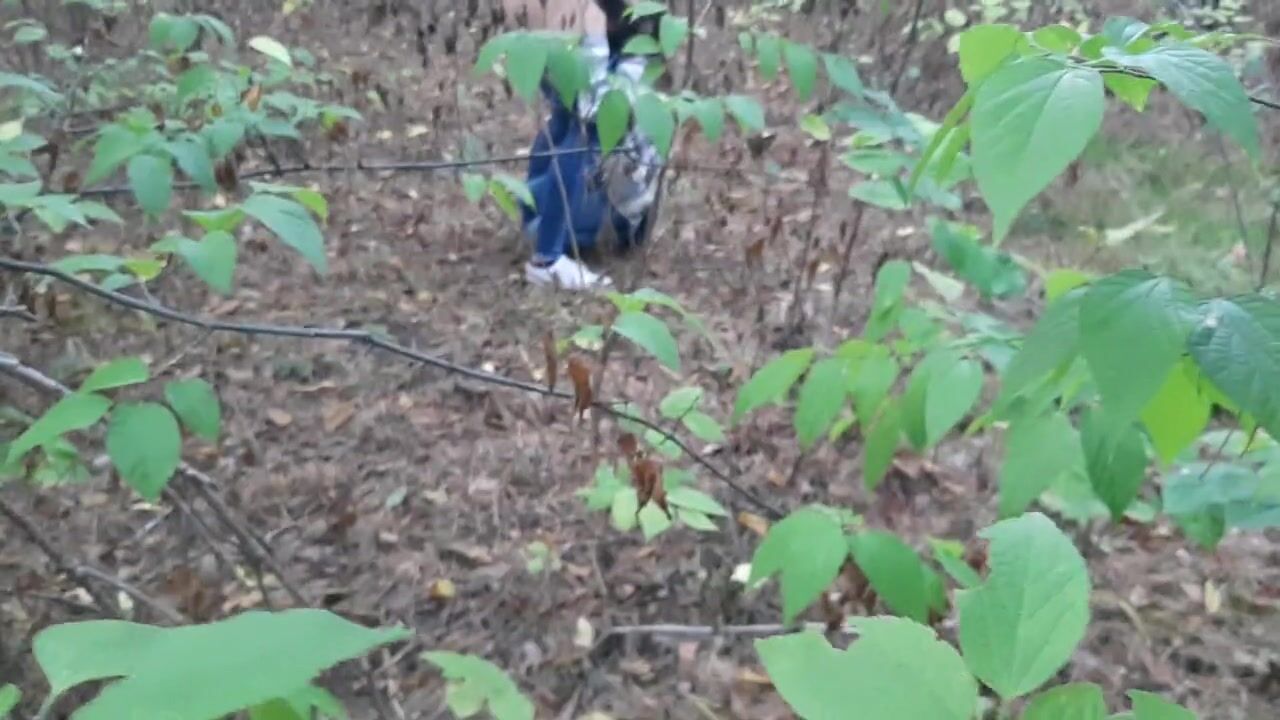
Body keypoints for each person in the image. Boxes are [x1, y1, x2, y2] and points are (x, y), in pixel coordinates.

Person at [502, 0, 663, 290]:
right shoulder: (593, 23)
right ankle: (547, 257)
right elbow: (591, 112)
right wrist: (593, 41)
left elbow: (599, 110)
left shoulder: (636, 37)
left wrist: (597, 43)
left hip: (618, 203)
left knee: (576, 123)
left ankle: (541, 229)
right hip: (604, 205)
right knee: (578, 124)